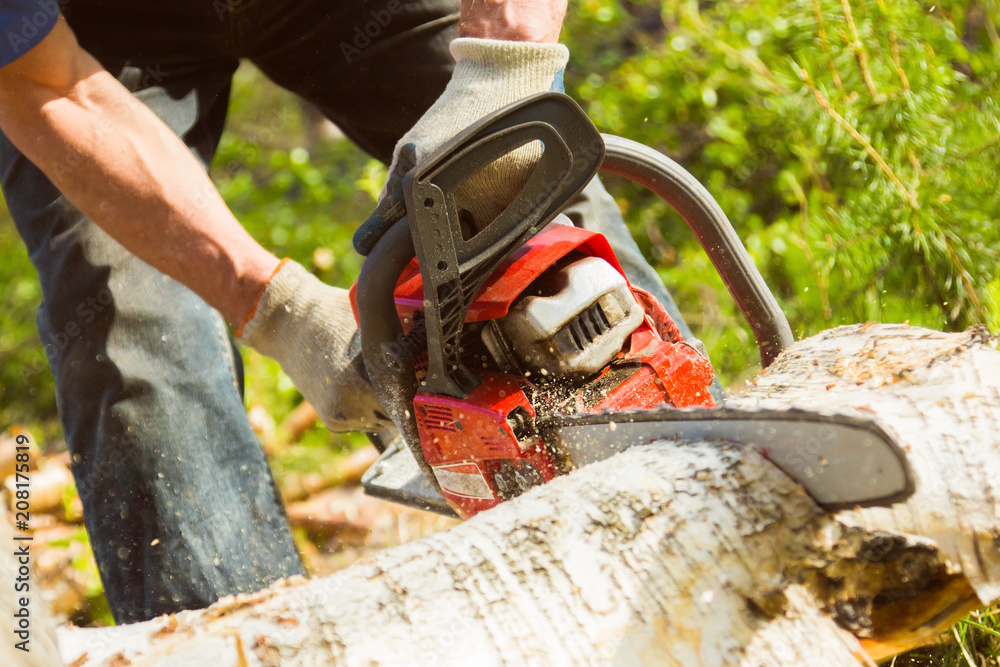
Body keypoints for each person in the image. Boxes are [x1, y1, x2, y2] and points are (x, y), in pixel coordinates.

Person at [0, 0, 707, 624]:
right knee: (134, 327)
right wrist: (275, 308)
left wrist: (506, 66)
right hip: (91, 37)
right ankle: (236, 632)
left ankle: (710, 503)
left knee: (526, 184)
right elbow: (44, 83)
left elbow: (509, 75)